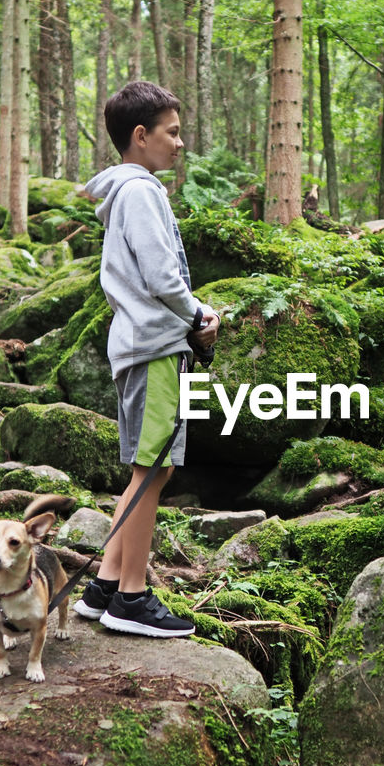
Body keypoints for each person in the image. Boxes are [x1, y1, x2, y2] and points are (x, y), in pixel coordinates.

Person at [73, 80, 219, 637]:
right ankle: (132, 599)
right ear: (141, 136)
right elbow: (163, 277)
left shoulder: (127, 193)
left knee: (148, 466)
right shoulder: (142, 193)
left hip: (140, 344)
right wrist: (199, 314)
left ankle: (106, 582)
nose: (180, 144)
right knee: (154, 466)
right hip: (155, 346)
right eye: (173, 133)